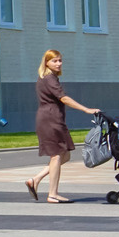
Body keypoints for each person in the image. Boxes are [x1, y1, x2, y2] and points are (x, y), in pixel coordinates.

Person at [24, 50, 98, 203]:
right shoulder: (49, 78)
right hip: (50, 120)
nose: (58, 64)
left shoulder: (48, 78)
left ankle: (36, 179)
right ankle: (52, 194)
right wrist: (86, 109)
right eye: (54, 61)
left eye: (60, 60)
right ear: (46, 62)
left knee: (65, 155)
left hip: (52, 118)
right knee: (57, 155)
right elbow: (63, 98)